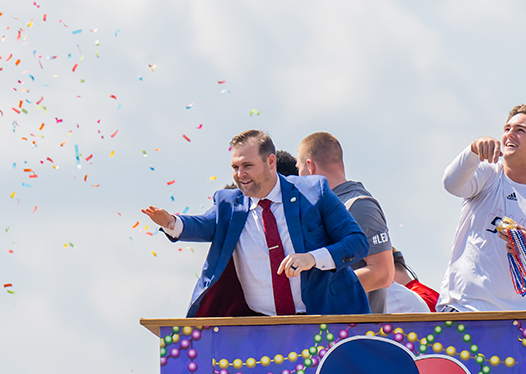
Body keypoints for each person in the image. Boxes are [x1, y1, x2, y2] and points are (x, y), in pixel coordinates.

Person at [142, 130, 371, 318]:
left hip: (328, 318)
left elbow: (357, 242)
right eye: (235, 167)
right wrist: (171, 222)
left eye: (247, 166)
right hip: (261, 329)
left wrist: (313, 258)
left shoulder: (314, 191)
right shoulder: (229, 204)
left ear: (271, 161)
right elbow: (203, 225)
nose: (240, 174)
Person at [437, 104, 526, 312]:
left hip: (521, 323)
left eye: (520, 130)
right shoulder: (487, 173)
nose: (509, 135)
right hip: (463, 309)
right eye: (507, 129)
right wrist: (472, 151)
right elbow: (451, 184)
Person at [297, 132, 394, 313]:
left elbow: (383, 273)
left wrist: (323, 293)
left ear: (310, 167)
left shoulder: (358, 204)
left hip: (355, 335)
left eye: (298, 170)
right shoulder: (325, 207)